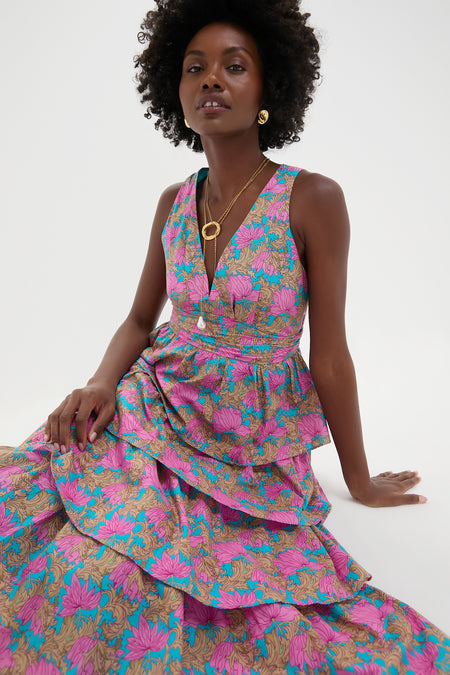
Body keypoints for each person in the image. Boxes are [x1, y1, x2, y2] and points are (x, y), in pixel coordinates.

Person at [1, 0, 449, 672]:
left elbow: (330, 355)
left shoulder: (312, 198)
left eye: (234, 66)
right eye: (195, 68)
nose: (212, 78)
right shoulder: (174, 201)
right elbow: (140, 320)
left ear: (269, 89)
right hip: (157, 404)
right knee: (44, 520)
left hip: (250, 439)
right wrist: (100, 383)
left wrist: (358, 479)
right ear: (175, 93)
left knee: (177, 588)